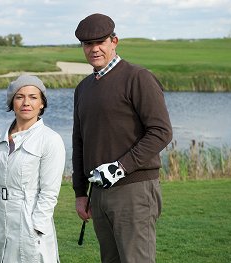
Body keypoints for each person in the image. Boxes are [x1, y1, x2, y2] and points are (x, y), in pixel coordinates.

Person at [72, 14, 173, 263]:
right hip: (99, 192)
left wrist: (120, 167)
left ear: (114, 41)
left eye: (100, 42)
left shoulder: (137, 78)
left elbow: (161, 131)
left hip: (133, 189)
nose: (94, 49)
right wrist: (80, 192)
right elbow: (79, 142)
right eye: (87, 44)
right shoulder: (83, 88)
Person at [0, 74, 65, 263]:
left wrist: (38, 226)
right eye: (20, 97)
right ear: (12, 102)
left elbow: (49, 192)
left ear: (42, 103)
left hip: (29, 219)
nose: (26, 102)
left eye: (33, 97)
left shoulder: (50, 140)